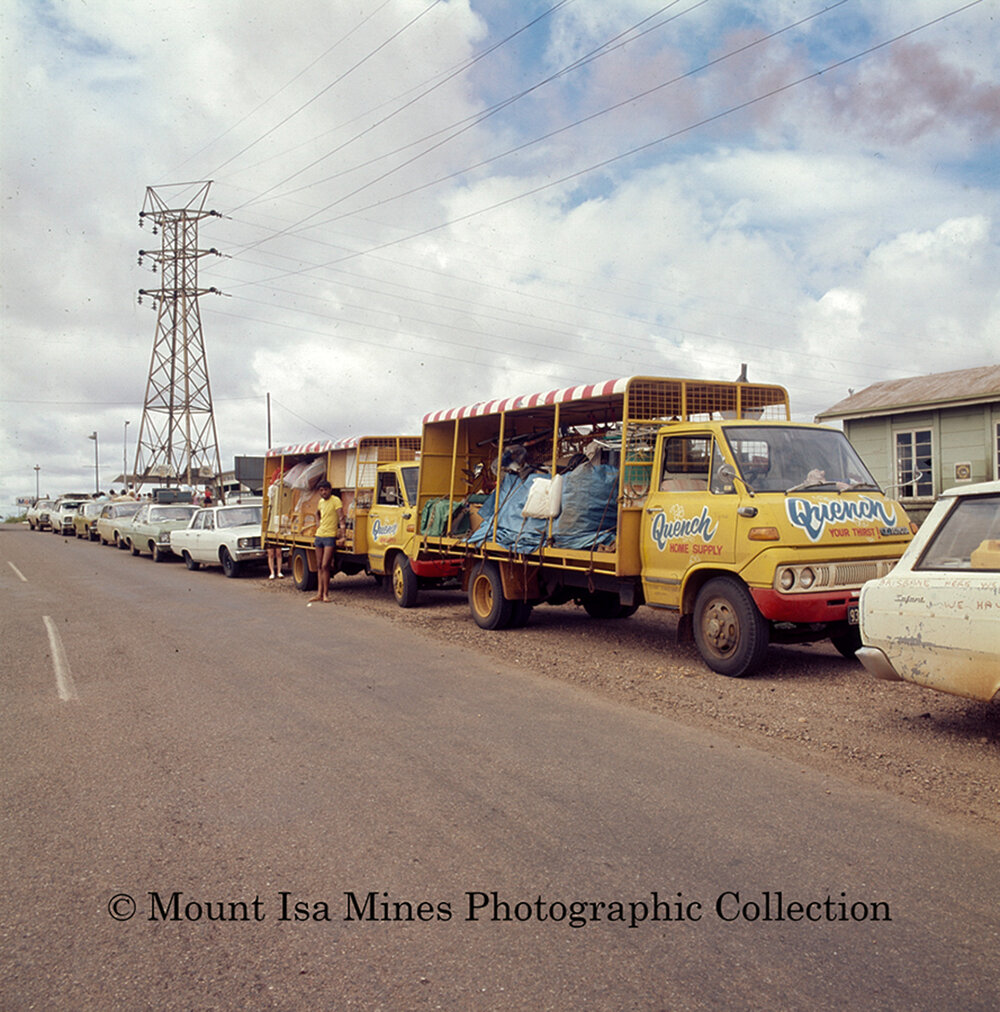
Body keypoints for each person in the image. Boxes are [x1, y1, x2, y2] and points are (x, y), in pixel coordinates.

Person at [311, 480, 343, 604]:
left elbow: (341, 517)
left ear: (330, 489)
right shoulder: (320, 502)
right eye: (321, 490)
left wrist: (343, 535)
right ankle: (319, 593)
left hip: (330, 536)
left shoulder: (336, 501)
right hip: (319, 536)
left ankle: (325, 594)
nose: (324, 492)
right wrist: (318, 523)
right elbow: (317, 513)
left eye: (325, 490)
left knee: (325, 565)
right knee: (319, 565)